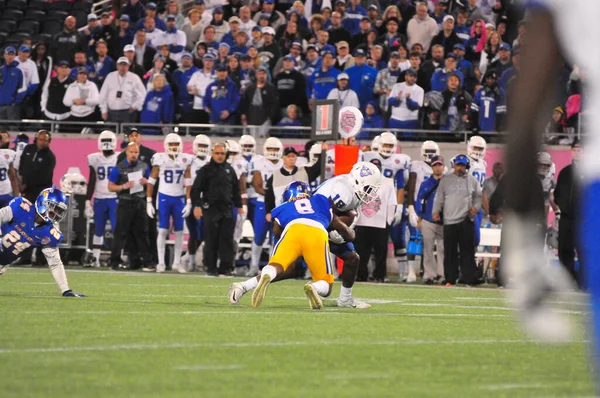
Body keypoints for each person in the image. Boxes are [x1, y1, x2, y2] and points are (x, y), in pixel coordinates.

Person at [231, 162, 382, 309]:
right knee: (347, 261)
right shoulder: (343, 192)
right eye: (368, 188)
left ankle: (243, 286)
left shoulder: (285, 207)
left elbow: (277, 228)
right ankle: (340, 297)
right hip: (321, 226)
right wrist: (346, 232)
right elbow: (331, 215)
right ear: (358, 181)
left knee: (286, 268)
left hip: (297, 228)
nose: (370, 193)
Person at [241, 181, 355, 309]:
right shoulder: (320, 201)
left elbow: (277, 232)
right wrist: (348, 234)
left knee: (276, 265)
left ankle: (268, 272)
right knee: (326, 284)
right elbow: (344, 230)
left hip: (292, 231)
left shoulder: (283, 207)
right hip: (317, 232)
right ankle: (314, 287)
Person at [0, 188, 85, 297]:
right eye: (54, 208)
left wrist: (66, 290)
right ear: (42, 202)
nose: (56, 214)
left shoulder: (49, 233)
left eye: (59, 211)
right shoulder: (21, 207)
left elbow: (55, 264)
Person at [362, 132, 410, 279]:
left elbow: (401, 186)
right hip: (369, 205)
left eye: (390, 145)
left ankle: (395, 273)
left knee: (390, 241)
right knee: (366, 244)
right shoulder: (367, 157)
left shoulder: (399, 162)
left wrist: (399, 207)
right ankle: (367, 272)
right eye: (385, 145)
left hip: (389, 203)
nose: (387, 148)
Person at [191, 143, 244, 276]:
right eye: (217, 153)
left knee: (226, 239)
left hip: (227, 208)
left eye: (222, 154)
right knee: (211, 239)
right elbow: (196, 189)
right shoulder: (205, 170)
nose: (220, 156)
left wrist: (239, 206)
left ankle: (226, 268)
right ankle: (211, 268)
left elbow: (236, 189)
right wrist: (197, 205)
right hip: (211, 208)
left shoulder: (230, 169)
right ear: (212, 154)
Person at [432, 154, 482, 286]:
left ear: (467, 167)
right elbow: (439, 198)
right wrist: (436, 211)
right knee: (450, 253)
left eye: (463, 165)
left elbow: (479, 197)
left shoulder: (472, 180)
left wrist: (475, 208)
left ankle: (469, 279)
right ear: (454, 165)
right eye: (458, 165)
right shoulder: (445, 180)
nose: (460, 168)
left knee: (467, 252)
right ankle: (450, 279)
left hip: (466, 220)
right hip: (449, 221)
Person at [147, 134, 193, 273]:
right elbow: (151, 181)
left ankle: (177, 263)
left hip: (179, 198)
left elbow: (188, 182)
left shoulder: (186, 159)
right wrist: (149, 201)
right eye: (171, 144)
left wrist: (189, 201)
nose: (174, 147)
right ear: (166, 145)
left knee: (179, 231)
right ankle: (161, 263)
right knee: (162, 230)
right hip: (164, 197)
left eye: (176, 144)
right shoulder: (159, 158)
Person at [107, 142, 154, 271]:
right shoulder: (119, 167)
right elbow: (110, 186)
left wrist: (147, 182)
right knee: (121, 233)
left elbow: (151, 182)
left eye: (136, 152)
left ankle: (145, 262)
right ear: (126, 152)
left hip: (139, 202)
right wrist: (123, 186)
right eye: (132, 152)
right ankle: (115, 261)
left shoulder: (144, 166)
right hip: (125, 202)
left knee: (142, 233)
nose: (134, 154)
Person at [246, 137, 284, 277]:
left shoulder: (284, 164)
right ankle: (254, 266)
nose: (273, 152)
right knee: (259, 236)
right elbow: (257, 186)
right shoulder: (259, 162)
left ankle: (271, 268)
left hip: (280, 206)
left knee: (276, 237)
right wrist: (271, 197)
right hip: (263, 203)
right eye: (270, 149)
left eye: (275, 149)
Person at [406, 140, 441, 282]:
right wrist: (411, 208)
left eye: (432, 152)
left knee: (430, 244)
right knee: (414, 238)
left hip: (433, 210)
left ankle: (427, 271)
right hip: (418, 208)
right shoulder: (416, 166)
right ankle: (411, 271)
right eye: (428, 151)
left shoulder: (441, 169)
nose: (429, 155)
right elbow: (411, 188)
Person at [85, 131, 119, 268]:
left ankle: (117, 258)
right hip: (99, 197)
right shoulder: (94, 158)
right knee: (98, 229)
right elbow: (92, 180)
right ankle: (95, 258)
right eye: (103, 139)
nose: (106, 143)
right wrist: (88, 200)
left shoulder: (119, 157)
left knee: (117, 229)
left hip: (114, 198)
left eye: (108, 140)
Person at [355, 178, 397, 283]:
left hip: (380, 222)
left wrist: (389, 220)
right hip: (362, 221)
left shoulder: (387, 182)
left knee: (381, 252)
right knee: (361, 251)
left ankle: (379, 275)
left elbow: (392, 202)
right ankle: (361, 274)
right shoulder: (359, 181)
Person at [554, 140, 583, 288]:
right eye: (575, 150)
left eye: (580, 150)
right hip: (566, 217)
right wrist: (562, 208)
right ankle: (567, 280)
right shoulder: (564, 172)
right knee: (564, 249)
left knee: (584, 250)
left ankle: (583, 281)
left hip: (583, 219)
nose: (577, 153)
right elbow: (557, 194)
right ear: (571, 151)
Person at [416, 155, 445, 285]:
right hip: (428, 219)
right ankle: (429, 275)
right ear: (432, 167)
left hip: (444, 220)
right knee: (428, 248)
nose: (438, 167)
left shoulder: (449, 182)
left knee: (443, 249)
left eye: (439, 165)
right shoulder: (426, 183)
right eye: (435, 165)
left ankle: (442, 274)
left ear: (443, 166)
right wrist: (419, 217)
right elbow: (419, 200)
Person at [185, 134, 211, 272]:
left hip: (207, 201)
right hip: (193, 199)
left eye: (205, 146)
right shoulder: (190, 161)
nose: (202, 149)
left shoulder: (211, 162)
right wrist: (190, 201)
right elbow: (188, 183)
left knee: (205, 233)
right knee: (194, 232)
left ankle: (195, 259)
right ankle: (191, 261)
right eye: (200, 145)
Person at [99, 57, 147, 123]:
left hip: (128, 112)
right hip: (112, 112)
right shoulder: (110, 76)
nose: (123, 67)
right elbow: (103, 94)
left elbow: (143, 94)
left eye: (125, 65)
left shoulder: (134, 77)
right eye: (121, 65)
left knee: (127, 132)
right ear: (117, 66)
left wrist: (135, 106)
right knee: (112, 132)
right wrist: (104, 110)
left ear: (128, 66)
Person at [240, 66, 279, 138]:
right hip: (252, 115)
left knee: (262, 136)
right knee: (252, 137)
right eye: (259, 74)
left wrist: (270, 117)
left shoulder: (271, 88)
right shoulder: (250, 88)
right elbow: (245, 102)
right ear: (256, 75)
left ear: (266, 75)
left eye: (263, 74)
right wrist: (244, 114)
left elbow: (274, 104)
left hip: (265, 116)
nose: (261, 76)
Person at [18, 130, 55, 204]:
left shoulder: (50, 157)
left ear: (49, 142)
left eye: (45, 140)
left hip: (40, 191)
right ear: (36, 139)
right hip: (25, 189)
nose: (42, 142)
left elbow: (44, 177)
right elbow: (22, 164)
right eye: (40, 139)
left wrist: (27, 185)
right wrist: (21, 180)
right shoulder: (28, 148)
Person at [466, 136, 488, 246]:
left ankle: (469, 261)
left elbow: (482, 188)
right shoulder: (464, 162)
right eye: (475, 148)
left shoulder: (483, 164)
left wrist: (487, 208)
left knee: (475, 240)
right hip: (468, 203)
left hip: (478, 203)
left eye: (480, 149)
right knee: (471, 238)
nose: (477, 151)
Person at [388, 68, 423, 134]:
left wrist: (408, 100)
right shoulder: (397, 86)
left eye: (414, 77)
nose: (412, 78)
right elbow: (390, 101)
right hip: (395, 119)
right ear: (406, 76)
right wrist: (397, 98)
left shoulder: (420, 90)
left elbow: (417, 106)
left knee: (409, 142)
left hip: (411, 121)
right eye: (411, 76)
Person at [0, 47, 27, 128]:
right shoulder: (0, 70)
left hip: (12, 107)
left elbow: (23, 89)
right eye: (8, 54)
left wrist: (14, 102)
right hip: (0, 106)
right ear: (4, 55)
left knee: (13, 130)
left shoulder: (19, 71)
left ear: (15, 56)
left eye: (12, 54)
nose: (10, 56)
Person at [16, 45, 40, 119]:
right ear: (19, 52)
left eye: (27, 52)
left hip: (26, 96)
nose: (25, 54)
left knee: (27, 116)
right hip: (13, 95)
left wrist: (25, 94)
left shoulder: (31, 64)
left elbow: (35, 82)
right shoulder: (13, 61)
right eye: (23, 52)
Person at [0, 132, 19, 207]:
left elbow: (13, 176)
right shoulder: (9, 154)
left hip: (6, 191)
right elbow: (13, 176)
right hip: (6, 191)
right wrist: (17, 194)